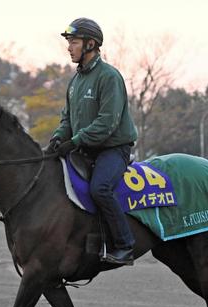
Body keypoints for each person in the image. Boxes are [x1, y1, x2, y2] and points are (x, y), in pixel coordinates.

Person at [48, 18, 138, 266]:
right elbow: (67, 119)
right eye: (69, 43)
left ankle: (124, 245)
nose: (69, 48)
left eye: (74, 42)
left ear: (90, 44)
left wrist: (75, 141)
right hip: (85, 148)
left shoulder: (109, 77)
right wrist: (58, 139)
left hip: (113, 149)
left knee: (99, 188)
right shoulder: (75, 81)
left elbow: (106, 123)